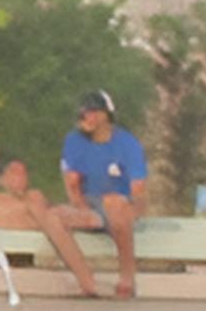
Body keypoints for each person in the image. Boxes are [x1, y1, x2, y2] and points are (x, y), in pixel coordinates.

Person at [0, 154, 103, 292]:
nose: (20, 178)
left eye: (23, 173)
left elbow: (46, 220)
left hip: (26, 258)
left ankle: (84, 276)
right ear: (2, 179)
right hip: (1, 256)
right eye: (14, 173)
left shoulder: (34, 198)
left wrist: (12, 220)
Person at [58, 92, 148, 294]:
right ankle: (84, 277)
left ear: (104, 115)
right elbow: (72, 185)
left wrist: (132, 212)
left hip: (120, 205)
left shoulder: (127, 144)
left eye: (90, 113)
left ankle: (127, 277)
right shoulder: (74, 141)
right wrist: (81, 208)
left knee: (114, 203)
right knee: (52, 215)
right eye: (82, 114)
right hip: (89, 204)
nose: (84, 119)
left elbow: (138, 189)